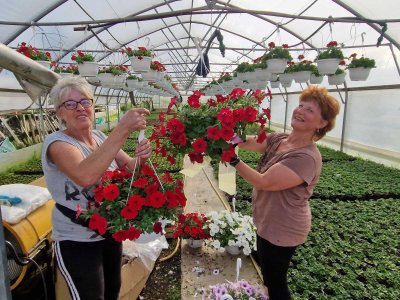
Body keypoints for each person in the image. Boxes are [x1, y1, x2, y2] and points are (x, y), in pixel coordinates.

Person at [41, 76, 151, 300]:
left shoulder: (100, 137)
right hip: (76, 240)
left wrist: (142, 158)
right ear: (59, 112)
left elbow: (130, 169)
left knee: (112, 292)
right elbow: (85, 175)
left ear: (93, 106)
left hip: (109, 230)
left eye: (85, 101)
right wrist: (122, 129)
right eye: (70, 104)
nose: (80, 108)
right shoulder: (57, 143)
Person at [229, 86, 340, 300]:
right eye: (300, 105)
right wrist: (229, 136)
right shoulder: (281, 139)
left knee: (275, 282)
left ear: (322, 123)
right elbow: (248, 141)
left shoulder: (306, 157)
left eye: (310, 110)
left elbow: (264, 182)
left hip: (284, 227)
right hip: (267, 219)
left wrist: (232, 160)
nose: (300, 111)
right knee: (267, 273)